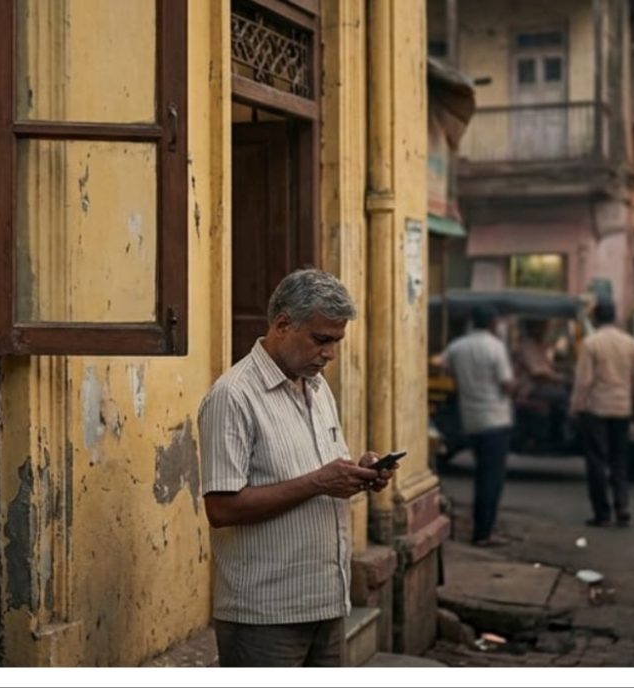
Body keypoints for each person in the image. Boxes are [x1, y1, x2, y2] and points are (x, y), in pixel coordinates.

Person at [197, 268, 396, 667]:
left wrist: (360, 473)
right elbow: (221, 509)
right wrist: (319, 482)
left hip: (326, 599)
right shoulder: (233, 396)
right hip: (264, 613)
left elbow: (318, 471)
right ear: (283, 325)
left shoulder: (317, 388)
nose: (329, 354)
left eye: (336, 342)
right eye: (321, 340)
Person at [569, 300, 634, 529]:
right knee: (619, 460)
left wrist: (575, 406)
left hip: (596, 409)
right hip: (622, 409)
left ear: (595, 319)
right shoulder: (630, 343)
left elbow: (584, 380)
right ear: (615, 317)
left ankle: (602, 513)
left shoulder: (591, 343)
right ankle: (622, 506)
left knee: (596, 461)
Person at [441, 304, 515, 547]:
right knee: (491, 479)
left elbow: (442, 365)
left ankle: (482, 529)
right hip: (495, 419)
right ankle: (484, 532)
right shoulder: (495, 347)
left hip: (471, 419)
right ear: (493, 323)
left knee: (482, 476)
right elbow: (506, 384)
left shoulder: (458, 346)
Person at [512, 318, 570, 442]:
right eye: (542, 327)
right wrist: (560, 378)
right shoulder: (526, 346)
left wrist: (565, 371)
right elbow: (537, 372)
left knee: (563, 394)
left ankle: (555, 434)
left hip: (542, 385)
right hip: (530, 388)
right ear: (533, 328)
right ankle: (560, 435)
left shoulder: (539, 345)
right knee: (564, 396)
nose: (545, 330)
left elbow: (548, 367)